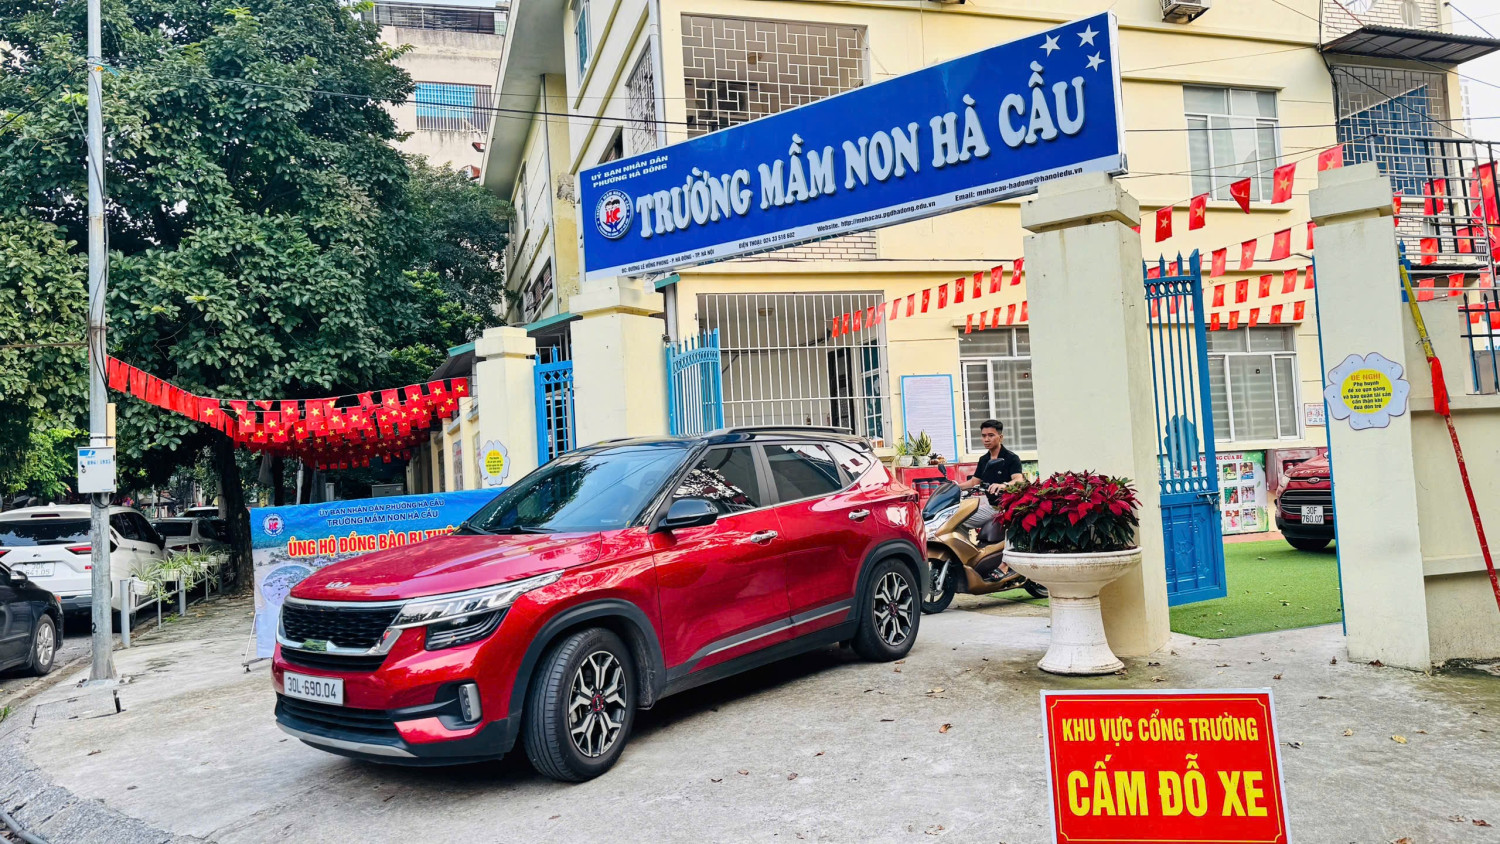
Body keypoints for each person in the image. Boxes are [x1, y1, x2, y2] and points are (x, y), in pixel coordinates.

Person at [937, 419, 1024, 580]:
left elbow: (1018, 479)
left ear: (1000, 437)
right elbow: (974, 482)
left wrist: (1003, 485)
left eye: (991, 435)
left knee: (1012, 526)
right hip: (992, 508)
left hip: (1008, 507)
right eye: (983, 436)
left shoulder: (1011, 458)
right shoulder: (984, 460)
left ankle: (1005, 565)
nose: (986, 439)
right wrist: (953, 487)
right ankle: (971, 558)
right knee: (957, 521)